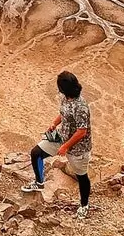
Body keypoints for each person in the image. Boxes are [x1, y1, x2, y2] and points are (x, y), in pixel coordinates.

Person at [21, 70, 92, 217]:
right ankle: (39, 182)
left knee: (81, 177)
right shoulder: (66, 98)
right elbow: (63, 113)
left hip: (78, 148)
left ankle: (84, 205)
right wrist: (54, 123)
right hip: (61, 137)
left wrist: (65, 147)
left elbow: (82, 131)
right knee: (36, 153)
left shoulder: (81, 107)